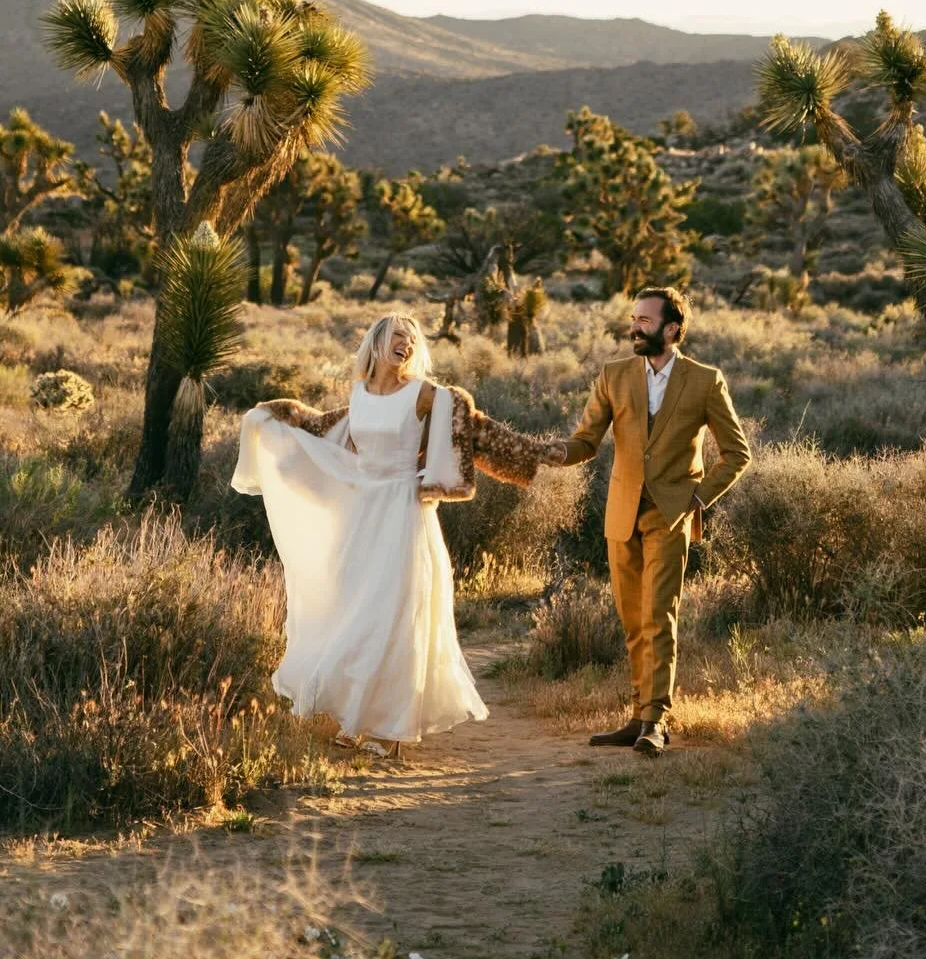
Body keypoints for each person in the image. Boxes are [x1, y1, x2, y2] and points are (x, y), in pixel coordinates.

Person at [232, 311, 560, 752]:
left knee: (392, 616)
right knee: (353, 608)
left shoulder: (426, 394)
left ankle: (389, 730)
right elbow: (328, 428)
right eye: (397, 336)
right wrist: (281, 414)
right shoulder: (360, 393)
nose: (405, 344)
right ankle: (356, 716)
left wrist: (535, 453)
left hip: (403, 511)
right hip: (361, 511)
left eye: (411, 338)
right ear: (378, 342)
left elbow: (476, 430)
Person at [553, 285, 752, 756]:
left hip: (671, 513)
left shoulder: (705, 380)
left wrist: (696, 499)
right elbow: (586, 441)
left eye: (644, 320)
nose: (634, 327)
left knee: (659, 617)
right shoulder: (614, 374)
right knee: (632, 619)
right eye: (634, 318)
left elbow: (736, 453)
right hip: (622, 512)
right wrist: (552, 453)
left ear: (672, 329)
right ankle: (639, 716)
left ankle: (657, 722)